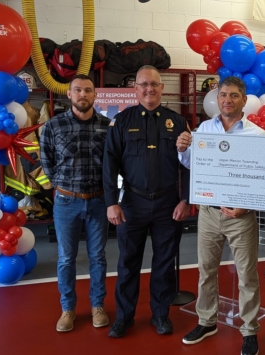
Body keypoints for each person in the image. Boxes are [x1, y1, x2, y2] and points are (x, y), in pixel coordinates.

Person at [176, 76, 265, 355]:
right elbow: (194, 164)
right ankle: (207, 321)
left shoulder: (258, 135)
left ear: (244, 100)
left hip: (241, 215)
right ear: (217, 99)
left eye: (233, 95)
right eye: (223, 95)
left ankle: (250, 330)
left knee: (247, 275)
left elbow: (263, 179)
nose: (227, 100)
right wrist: (182, 150)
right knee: (206, 270)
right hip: (209, 213)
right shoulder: (204, 129)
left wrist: (247, 206)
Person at [103, 65, 191, 338]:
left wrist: (187, 199)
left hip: (168, 204)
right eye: (143, 84)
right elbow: (110, 164)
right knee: (128, 263)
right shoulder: (121, 122)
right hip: (132, 203)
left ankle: (161, 314)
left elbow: (189, 165)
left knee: (165, 263)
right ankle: (124, 317)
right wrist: (111, 202)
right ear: (136, 89)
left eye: (154, 84)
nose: (149, 89)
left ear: (162, 87)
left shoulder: (177, 122)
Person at [40, 74, 111, 332]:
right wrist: (61, 185)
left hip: (98, 201)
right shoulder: (53, 126)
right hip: (65, 202)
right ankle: (67, 309)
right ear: (69, 95)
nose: (83, 94)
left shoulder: (107, 126)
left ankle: (97, 306)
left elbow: (113, 164)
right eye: (78, 90)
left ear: (95, 95)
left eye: (88, 90)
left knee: (98, 257)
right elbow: (46, 161)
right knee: (66, 258)